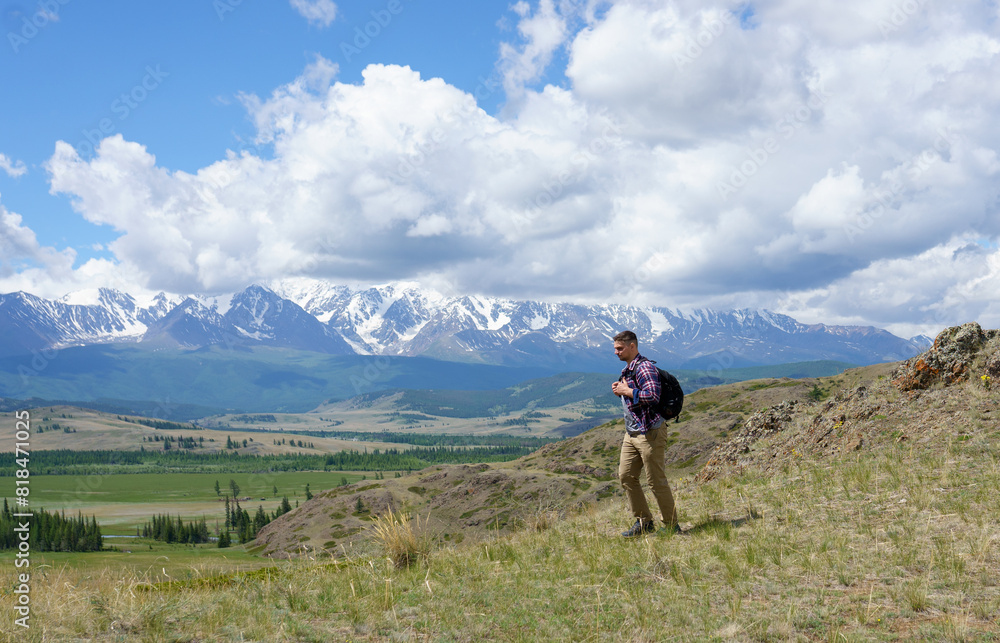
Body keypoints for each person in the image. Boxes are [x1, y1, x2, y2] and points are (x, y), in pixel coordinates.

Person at [611, 330, 679, 538]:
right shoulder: (627, 370)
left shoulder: (644, 368)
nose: (616, 352)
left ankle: (671, 525)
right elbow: (635, 397)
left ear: (633, 346)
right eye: (615, 349)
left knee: (655, 480)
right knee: (626, 476)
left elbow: (652, 396)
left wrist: (627, 391)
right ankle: (644, 522)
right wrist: (621, 389)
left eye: (620, 348)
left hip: (650, 433)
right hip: (632, 434)